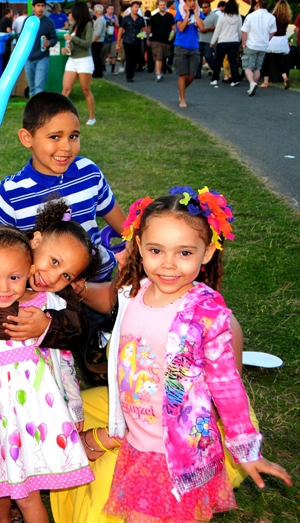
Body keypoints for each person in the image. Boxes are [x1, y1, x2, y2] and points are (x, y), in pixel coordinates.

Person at [67, 187, 292, 522]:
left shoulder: (205, 314)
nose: (168, 264)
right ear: (139, 246)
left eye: (184, 252)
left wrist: (246, 449)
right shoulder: (135, 292)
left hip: (179, 456)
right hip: (139, 446)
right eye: (156, 250)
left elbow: (227, 385)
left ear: (207, 253)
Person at [0, 215, 98, 522]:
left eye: (14, 278)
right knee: (1, 483)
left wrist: (74, 407)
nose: (3, 287)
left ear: (28, 271)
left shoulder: (49, 307)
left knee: (27, 496)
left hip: (36, 418)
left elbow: (64, 362)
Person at [0, 92, 125, 283]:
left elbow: (124, 225)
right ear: (26, 138)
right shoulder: (12, 193)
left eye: (73, 136)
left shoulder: (89, 172)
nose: (66, 146)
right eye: (55, 137)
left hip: (98, 280)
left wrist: (135, 244)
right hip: (45, 291)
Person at [62, 1, 97, 125]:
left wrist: (73, 38)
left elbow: (87, 43)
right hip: (72, 59)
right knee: (65, 90)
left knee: (85, 90)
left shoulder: (88, 24)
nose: (71, 13)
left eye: (73, 11)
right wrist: (66, 49)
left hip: (84, 60)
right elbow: (71, 43)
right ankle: (62, 116)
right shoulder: (73, 25)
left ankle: (92, 117)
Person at [173, 0, 204, 108]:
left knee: (192, 75)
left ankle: (181, 91)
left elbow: (202, 27)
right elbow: (180, 28)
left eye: (194, 1)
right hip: (181, 46)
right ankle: (183, 99)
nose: (192, 3)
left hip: (194, 46)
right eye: (189, 1)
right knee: (182, 74)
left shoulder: (198, 12)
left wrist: (196, 13)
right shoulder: (180, 12)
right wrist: (186, 14)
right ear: (185, 2)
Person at [241, 0, 277, 96]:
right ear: (267, 5)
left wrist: (243, 42)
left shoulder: (251, 16)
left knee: (248, 66)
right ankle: (254, 84)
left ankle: (252, 83)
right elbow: (273, 31)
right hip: (263, 45)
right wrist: (267, 39)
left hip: (251, 44)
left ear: (258, 4)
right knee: (257, 67)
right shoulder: (271, 17)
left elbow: (244, 31)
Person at [23, 0, 58, 98]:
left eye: (43, 6)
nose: (40, 8)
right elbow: (22, 37)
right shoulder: (28, 21)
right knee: (32, 86)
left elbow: (54, 38)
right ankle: (31, 110)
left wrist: (49, 42)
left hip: (43, 57)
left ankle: (38, 109)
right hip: (28, 57)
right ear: (33, 7)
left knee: (39, 86)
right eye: (38, 5)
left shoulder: (48, 22)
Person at [259, 0, 292, 89]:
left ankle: (266, 82)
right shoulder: (287, 17)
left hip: (272, 39)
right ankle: (285, 77)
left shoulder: (272, 16)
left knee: (267, 61)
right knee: (278, 62)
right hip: (282, 40)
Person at [210, 0, 243, 87]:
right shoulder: (238, 17)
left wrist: (212, 42)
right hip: (234, 41)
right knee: (233, 61)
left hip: (223, 41)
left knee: (218, 61)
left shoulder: (223, 16)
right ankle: (235, 79)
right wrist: (239, 40)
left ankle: (215, 79)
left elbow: (217, 30)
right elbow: (240, 31)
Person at [117, 1, 146, 83]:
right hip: (127, 41)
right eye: (135, 7)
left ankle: (131, 70)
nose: (136, 9)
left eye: (138, 7)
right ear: (131, 8)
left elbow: (144, 30)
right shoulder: (125, 19)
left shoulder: (140, 19)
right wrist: (118, 43)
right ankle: (129, 75)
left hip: (137, 41)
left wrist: (142, 35)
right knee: (129, 58)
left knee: (136, 58)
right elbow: (120, 30)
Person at [148, 0, 174, 82]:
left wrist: (172, 35)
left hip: (167, 40)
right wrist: (148, 39)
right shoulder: (154, 17)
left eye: (164, 5)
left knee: (163, 58)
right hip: (156, 40)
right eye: (161, 5)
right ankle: (158, 74)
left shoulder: (170, 16)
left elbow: (173, 28)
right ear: (158, 6)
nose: (162, 6)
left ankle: (161, 71)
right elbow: (149, 28)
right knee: (158, 57)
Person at [196, 1, 218, 79]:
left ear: (209, 7)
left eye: (205, 7)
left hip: (208, 39)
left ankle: (216, 70)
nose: (203, 9)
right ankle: (197, 73)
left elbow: (217, 27)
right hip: (199, 39)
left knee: (209, 56)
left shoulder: (215, 16)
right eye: (202, 7)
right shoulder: (199, 15)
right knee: (198, 57)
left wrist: (207, 29)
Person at [101, 4, 119, 75]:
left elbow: (118, 26)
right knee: (103, 54)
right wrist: (104, 29)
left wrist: (115, 23)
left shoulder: (114, 17)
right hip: (105, 38)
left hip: (113, 38)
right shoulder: (103, 17)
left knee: (114, 54)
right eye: (110, 9)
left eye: (112, 9)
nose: (111, 10)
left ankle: (113, 69)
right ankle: (103, 67)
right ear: (107, 9)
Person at [91, 4, 105, 78]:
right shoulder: (100, 19)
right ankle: (98, 73)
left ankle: (97, 73)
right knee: (97, 57)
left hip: (97, 41)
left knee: (96, 58)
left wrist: (93, 40)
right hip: (98, 41)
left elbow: (98, 32)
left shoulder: (100, 20)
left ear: (96, 11)